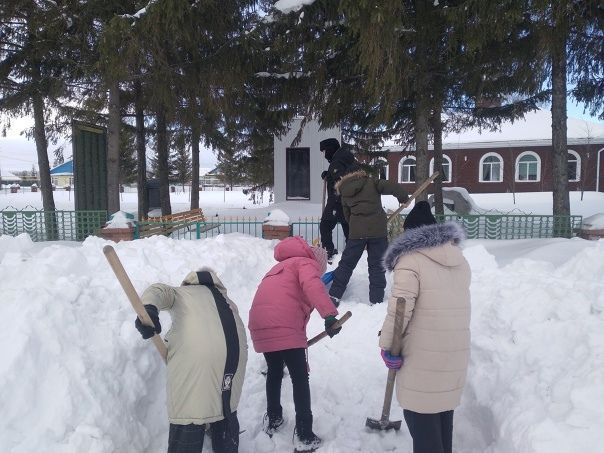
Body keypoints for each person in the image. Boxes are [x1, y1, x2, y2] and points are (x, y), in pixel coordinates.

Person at [379, 201, 471, 453]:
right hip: (453, 356)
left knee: (423, 430)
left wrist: (387, 346)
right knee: (442, 424)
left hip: (423, 358)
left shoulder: (410, 260)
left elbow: (400, 309)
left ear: (410, 234)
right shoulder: (460, 260)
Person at [134, 268, 248, 453]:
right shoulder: (227, 301)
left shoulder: (181, 293)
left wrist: (148, 310)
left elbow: (158, 291)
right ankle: (223, 437)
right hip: (235, 361)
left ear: (188, 283)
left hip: (197, 364)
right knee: (224, 411)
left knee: (190, 414)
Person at [248, 236, 341, 453]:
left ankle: (274, 418)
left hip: (260, 325)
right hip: (284, 324)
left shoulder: (276, 268)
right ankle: (304, 434)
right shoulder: (305, 263)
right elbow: (313, 286)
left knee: (274, 371)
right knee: (300, 378)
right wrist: (329, 316)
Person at [327, 168, 409, 306]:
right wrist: (403, 198)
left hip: (356, 233)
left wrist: (357, 226)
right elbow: (393, 187)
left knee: (346, 264)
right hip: (378, 232)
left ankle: (334, 296)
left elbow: (347, 216)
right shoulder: (371, 182)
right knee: (377, 266)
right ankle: (376, 299)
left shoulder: (344, 193)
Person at [319, 138, 357, 261]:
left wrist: (336, 201)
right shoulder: (344, 157)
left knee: (325, 225)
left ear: (331, 149)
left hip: (337, 201)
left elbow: (341, 180)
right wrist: (329, 174)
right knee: (348, 227)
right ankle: (352, 252)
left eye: (325, 151)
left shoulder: (337, 161)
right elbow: (345, 174)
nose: (325, 154)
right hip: (347, 201)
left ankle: (328, 251)